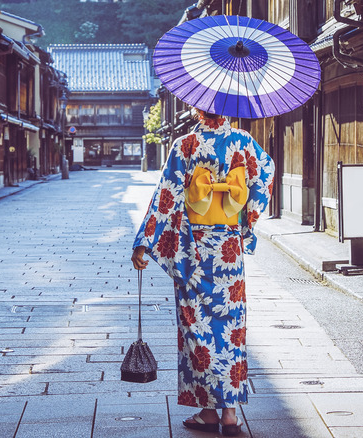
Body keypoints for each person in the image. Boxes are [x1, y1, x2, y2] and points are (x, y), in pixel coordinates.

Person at [131, 109, 274, 436]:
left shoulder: (186, 145)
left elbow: (165, 198)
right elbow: (265, 173)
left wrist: (144, 243)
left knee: (198, 329)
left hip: (194, 250)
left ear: (197, 109)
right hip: (229, 251)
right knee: (231, 329)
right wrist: (245, 222)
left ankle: (207, 413)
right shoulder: (243, 142)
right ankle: (229, 416)